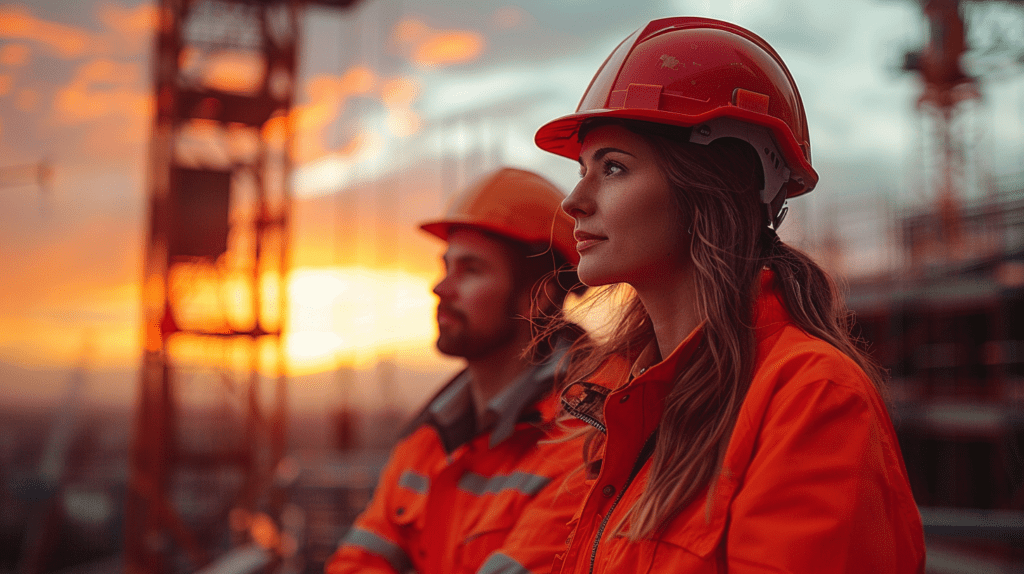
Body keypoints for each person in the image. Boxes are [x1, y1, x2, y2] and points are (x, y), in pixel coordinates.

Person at [531, 17, 926, 573]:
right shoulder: (633, 399)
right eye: (582, 170)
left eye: (613, 167)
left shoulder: (813, 401)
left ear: (708, 190)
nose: (574, 200)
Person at [326, 167, 587, 574]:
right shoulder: (429, 439)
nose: (441, 288)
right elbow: (355, 564)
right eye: (446, 266)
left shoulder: (583, 436)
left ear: (539, 295)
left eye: (471, 270)